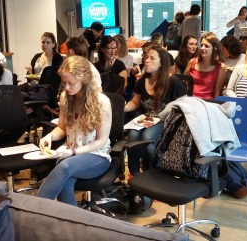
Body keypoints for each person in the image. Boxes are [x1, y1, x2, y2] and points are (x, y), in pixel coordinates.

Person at [37, 55, 112, 206]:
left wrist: (73, 153)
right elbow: (62, 128)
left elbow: (101, 141)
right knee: (65, 184)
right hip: (71, 153)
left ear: (83, 80)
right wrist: (50, 137)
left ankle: (35, 210)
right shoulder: (66, 97)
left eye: (71, 83)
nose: (66, 87)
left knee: (64, 166)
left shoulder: (101, 102)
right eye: (64, 82)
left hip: (97, 156)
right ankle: (72, 226)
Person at [124, 46, 187, 177]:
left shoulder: (174, 82)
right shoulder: (143, 81)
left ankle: (150, 173)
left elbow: (185, 106)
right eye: (147, 57)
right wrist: (124, 108)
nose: (146, 61)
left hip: (165, 120)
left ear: (161, 63)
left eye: (152, 58)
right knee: (132, 135)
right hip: (146, 118)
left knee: (147, 137)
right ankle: (134, 173)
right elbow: (135, 102)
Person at [184, 32, 226, 100]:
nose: (202, 48)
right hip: (189, 100)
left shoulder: (221, 67)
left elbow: (217, 92)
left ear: (214, 49)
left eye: (206, 46)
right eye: (201, 45)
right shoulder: (192, 62)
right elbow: (183, 83)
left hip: (207, 103)